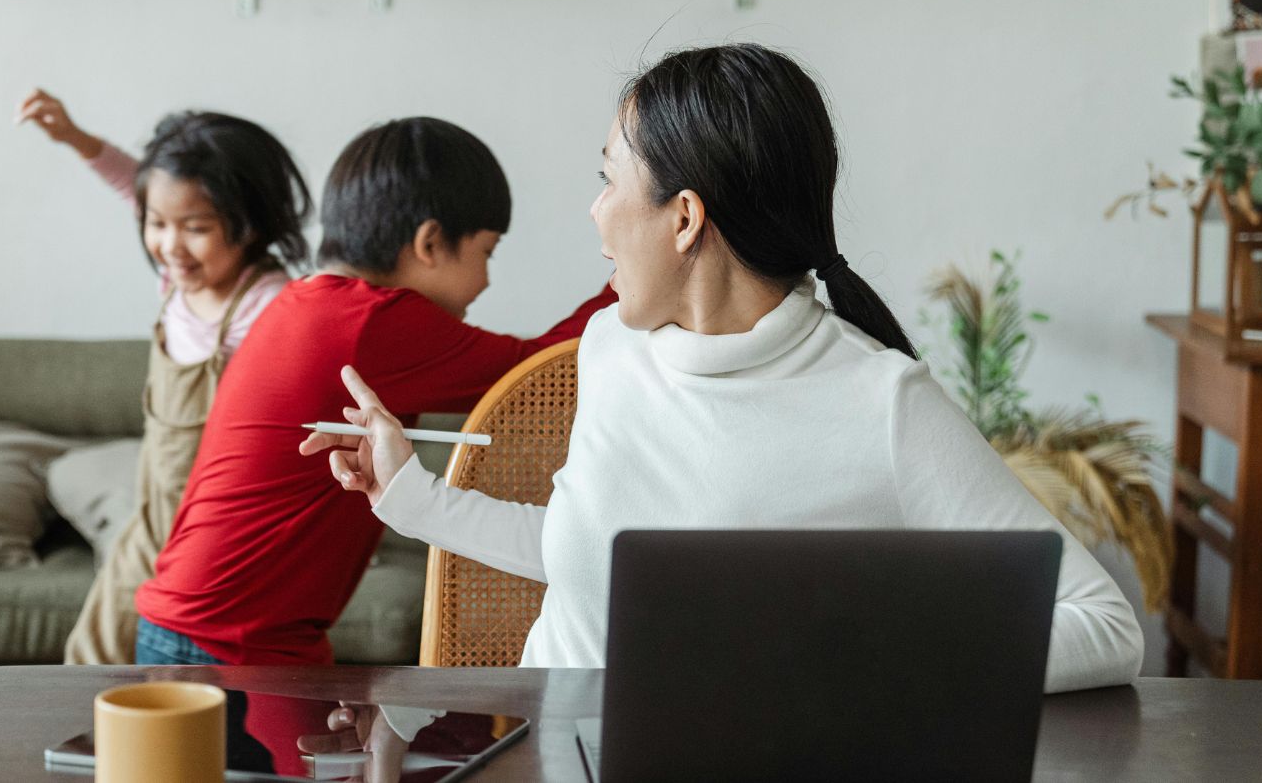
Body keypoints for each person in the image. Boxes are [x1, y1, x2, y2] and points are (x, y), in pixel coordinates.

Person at [303, 44, 1146, 697]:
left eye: (607, 179)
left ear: (684, 218)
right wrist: (410, 497)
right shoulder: (611, 348)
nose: (595, 212)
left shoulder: (882, 403)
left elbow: (1104, 626)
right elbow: (589, 556)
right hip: (553, 754)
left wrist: (856, 654)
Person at [133, 116, 617, 667]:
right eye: (487, 252)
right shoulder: (369, 322)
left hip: (205, 628)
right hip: (226, 645)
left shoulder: (310, 303)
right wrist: (632, 271)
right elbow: (538, 376)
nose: (485, 280)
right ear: (430, 242)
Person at [16, 90, 311, 664]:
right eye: (157, 224)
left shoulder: (267, 306)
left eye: (196, 227)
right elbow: (139, 187)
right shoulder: (180, 280)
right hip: (151, 513)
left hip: (210, 533)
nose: (170, 245)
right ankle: (91, 751)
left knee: (156, 666)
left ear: (250, 223)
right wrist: (78, 139)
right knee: (92, 653)